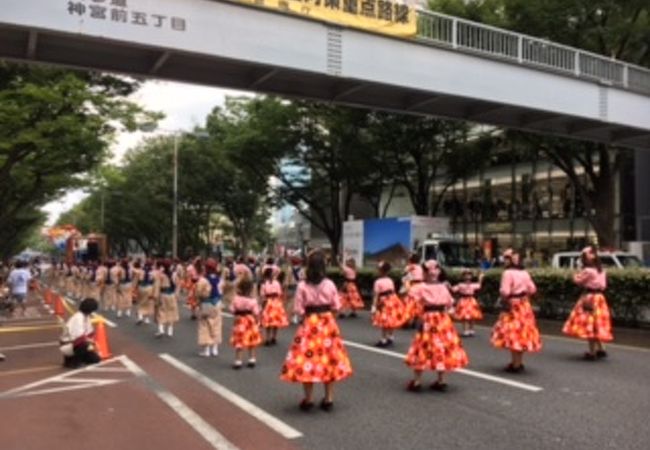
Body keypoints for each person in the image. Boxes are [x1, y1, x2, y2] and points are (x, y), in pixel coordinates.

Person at [280, 249, 353, 412]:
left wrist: (307, 316)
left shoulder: (302, 285)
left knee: (308, 361)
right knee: (329, 360)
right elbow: (337, 306)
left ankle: (308, 399)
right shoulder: (330, 284)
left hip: (310, 323)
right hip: (327, 323)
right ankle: (328, 399)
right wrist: (329, 317)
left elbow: (298, 309)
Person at [405, 260, 468, 392]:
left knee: (422, 347)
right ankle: (441, 380)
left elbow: (411, 303)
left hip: (428, 318)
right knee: (442, 347)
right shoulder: (443, 287)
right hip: (442, 319)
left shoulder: (420, 287)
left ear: (426, 272)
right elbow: (450, 305)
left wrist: (413, 317)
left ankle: (417, 381)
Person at [491, 249, 542, 373]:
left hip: (512, 305)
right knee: (522, 333)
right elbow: (532, 289)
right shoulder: (524, 272)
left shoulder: (507, 273)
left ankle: (515, 364)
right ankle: (518, 362)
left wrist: (503, 297)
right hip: (524, 305)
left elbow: (505, 291)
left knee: (512, 334)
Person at [562, 246, 613, 360]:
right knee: (597, 324)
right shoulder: (601, 270)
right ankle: (601, 348)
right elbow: (604, 285)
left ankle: (592, 352)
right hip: (600, 298)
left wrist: (575, 274)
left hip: (589, 297)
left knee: (590, 325)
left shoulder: (588, 271)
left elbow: (578, 280)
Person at [371, 261, 406, 347]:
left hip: (384, 301)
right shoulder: (390, 280)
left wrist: (374, 306)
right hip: (393, 299)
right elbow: (393, 291)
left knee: (384, 321)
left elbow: (376, 295)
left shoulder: (378, 282)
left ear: (380, 271)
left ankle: (383, 339)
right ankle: (390, 337)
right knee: (391, 319)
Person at [230, 277, 262, 368]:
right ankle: (252, 359)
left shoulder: (236, 298)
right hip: (250, 320)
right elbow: (256, 312)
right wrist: (258, 321)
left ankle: (238, 360)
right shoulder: (253, 300)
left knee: (239, 340)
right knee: (251, 339)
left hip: (240, 320)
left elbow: (232, 309)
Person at [61, 298, 101, 368]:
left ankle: (73, 359)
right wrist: (90, 342)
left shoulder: (85, 317)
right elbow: (79, 335)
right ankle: (74, 362)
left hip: (73, 343)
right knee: (83, 343)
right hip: (68, 344)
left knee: (95, 359)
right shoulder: (78, 318)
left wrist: (92, 342)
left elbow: (90, 332)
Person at [195, 258, 223, 357]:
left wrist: (198, 302)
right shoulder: (219, 279)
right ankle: (215, 348)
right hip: (217, 303)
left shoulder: (203, 280)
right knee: (216, 324)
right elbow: (221, 291)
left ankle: (206, 349)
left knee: (204, 325)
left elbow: (198, 293)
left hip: (206, 303)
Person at [260, 267, 289, 346]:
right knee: (275, 321)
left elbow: (262, 295)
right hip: (276, 302)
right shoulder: (277, 283)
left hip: (268, 302)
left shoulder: (264, 283)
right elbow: (279, 293)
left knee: (268, 322)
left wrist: (262, 303)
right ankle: (274, 337)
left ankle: (267, 338)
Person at [452, 269, 485, 337]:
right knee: (464, 317)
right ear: (463, 276)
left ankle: (471, 329)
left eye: (469, 275)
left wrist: (480, 278)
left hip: (471, 300)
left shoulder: (473, 285)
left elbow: (479, 286)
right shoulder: (460, 285)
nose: (467, 276)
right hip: (463, 300)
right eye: (466, 275)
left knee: (472, 316)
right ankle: (465, 330)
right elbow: (453, 289)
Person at [155, 260, 180, 338]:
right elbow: (178, 285)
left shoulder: (160, 275)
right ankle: (170, 330)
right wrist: (176, 295)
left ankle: (161, 329)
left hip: (163, 294)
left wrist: (155, 297)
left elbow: (157, 286)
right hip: (171, 294)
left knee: (161, 311)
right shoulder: (174, 274)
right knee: (171, 311)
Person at [401, 254, 424, 329]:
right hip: (420, 286)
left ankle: (407, 321)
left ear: (410, 260)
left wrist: (405, 287)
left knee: (409, 304)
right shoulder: (421, 268)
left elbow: (405, 277)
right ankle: (415, 321)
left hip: (412, 285)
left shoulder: (409, 267)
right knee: (418, 304)